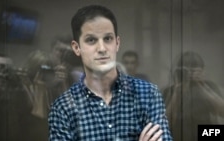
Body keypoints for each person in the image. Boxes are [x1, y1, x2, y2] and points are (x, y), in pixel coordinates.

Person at [48, 5, 172, 141]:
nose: (102, 48)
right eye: (91, 40)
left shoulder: (148, 94)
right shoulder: (62, 108)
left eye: (108, 39)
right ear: (77, 48)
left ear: (117, 43)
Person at [162, 51, 224, 141]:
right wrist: (177, 92)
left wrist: (202, 86)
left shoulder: (209, 87)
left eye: (194, 71)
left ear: (202, 71)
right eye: (186, 71)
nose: (189, 75)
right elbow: (164, 123)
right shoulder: (170, 90)